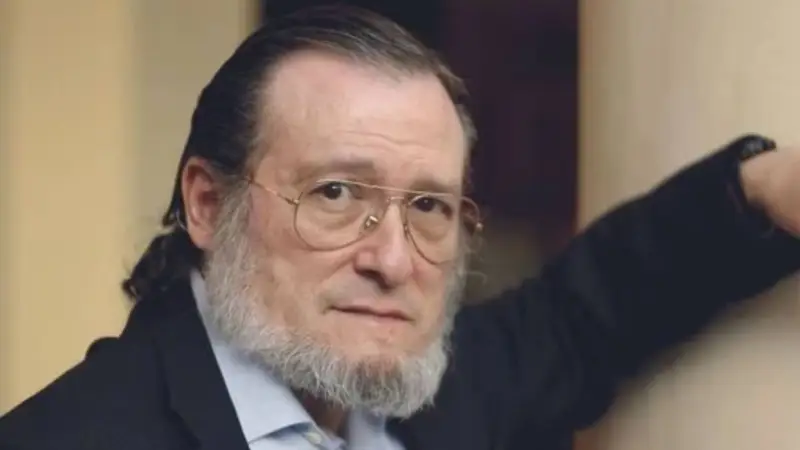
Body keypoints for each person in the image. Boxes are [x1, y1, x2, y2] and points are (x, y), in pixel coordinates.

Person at [1, 6, 799, 450]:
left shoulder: (437, 395)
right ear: (208, 205)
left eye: (428, 207)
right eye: (336, 193)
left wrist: (762, 189)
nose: (392, 259)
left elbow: (580, 317)